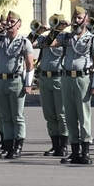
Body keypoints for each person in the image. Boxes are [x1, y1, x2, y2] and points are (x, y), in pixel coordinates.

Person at [52, 6, 94, 165]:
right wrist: (58, 28)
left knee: (84, 115)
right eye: (75, 17)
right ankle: (74, 151)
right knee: (70, 116)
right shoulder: (66, 37)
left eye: (79, 17)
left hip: (83, 78)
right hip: (67, 78)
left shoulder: (92, 39)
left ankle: (85, 151)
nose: (76, 20)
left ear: (86, 20)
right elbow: (49, 43)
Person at [0, 11, 35, 158]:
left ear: (19, 24)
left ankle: (18, 147)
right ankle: (8, 146)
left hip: (16, 81)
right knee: (5, 116)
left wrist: (28, 84)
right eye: (7, 21)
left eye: (12, 21)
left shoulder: (24, 41)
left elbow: (29, 64)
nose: (8, 23)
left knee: (17, 116)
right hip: (0, 81)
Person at [36, 14, 69, 160]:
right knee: (49, 114)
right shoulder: (45, 38)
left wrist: (65, 27)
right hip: (45, 78)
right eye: (55, 23)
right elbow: (30, 43)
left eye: (58, 23)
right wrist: (38, 31)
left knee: (61, 114)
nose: (56, 26)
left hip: (59, 77)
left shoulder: (67, 38)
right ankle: (54, 144)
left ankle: (64, 145)